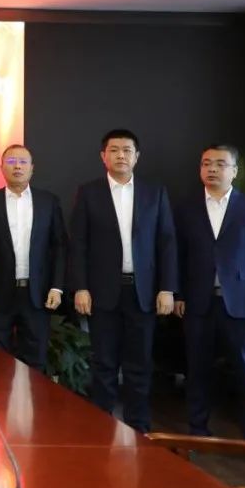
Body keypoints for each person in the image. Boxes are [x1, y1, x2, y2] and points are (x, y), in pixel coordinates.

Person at [175, 144, 245, 458]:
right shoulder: (187, 208)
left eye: (220, 164)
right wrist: (178, 294)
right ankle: (198, 434)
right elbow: (177, 256)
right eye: (206, 163)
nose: (212, 169)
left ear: (234, 171)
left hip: (242, 304)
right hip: (198, 304)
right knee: (197, 371)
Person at [70, 128, 177, 433]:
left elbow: (167, 242)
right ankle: (100, 425)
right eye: (114, 150)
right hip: (103, 291)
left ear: (137, 156)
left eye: (127, 150)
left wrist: (167, 288)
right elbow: (78, 244)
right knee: (103, 363)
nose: (121, 155)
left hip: (143, 291)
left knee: (139, 363)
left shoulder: (154, 193)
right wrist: (81, 287)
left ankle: (138, 426)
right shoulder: (89, 193)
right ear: (103, 156)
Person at [0, 144, 66, 371]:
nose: (17, 167)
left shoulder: (48, 201)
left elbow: (60, 247)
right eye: (11, 162)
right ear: (1, 168)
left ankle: (32, 397)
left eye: (23, 162)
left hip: (38, 295)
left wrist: (57, 287)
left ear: (32, 168)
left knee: (35, 362)